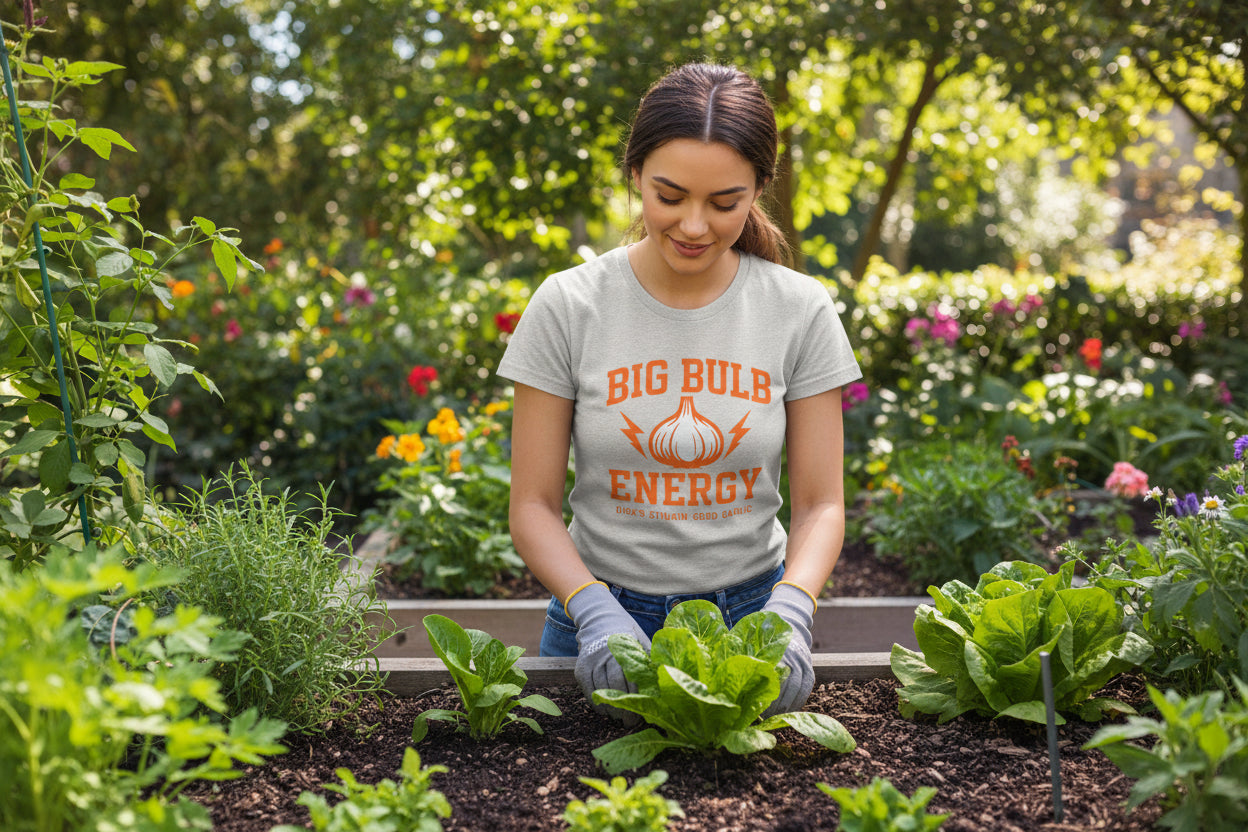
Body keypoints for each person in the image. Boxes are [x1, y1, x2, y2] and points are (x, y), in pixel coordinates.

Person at [497, 62, 862, 716]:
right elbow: (531, 505)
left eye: (724, 204)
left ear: (759, 191)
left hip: (753, 623)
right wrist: (593, 611)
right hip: (598, 618)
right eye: (670, 196)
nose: (694, 226)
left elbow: (820, 505)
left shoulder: (798, 309)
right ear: (635, 175)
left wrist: (791, 609)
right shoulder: (569, 305)